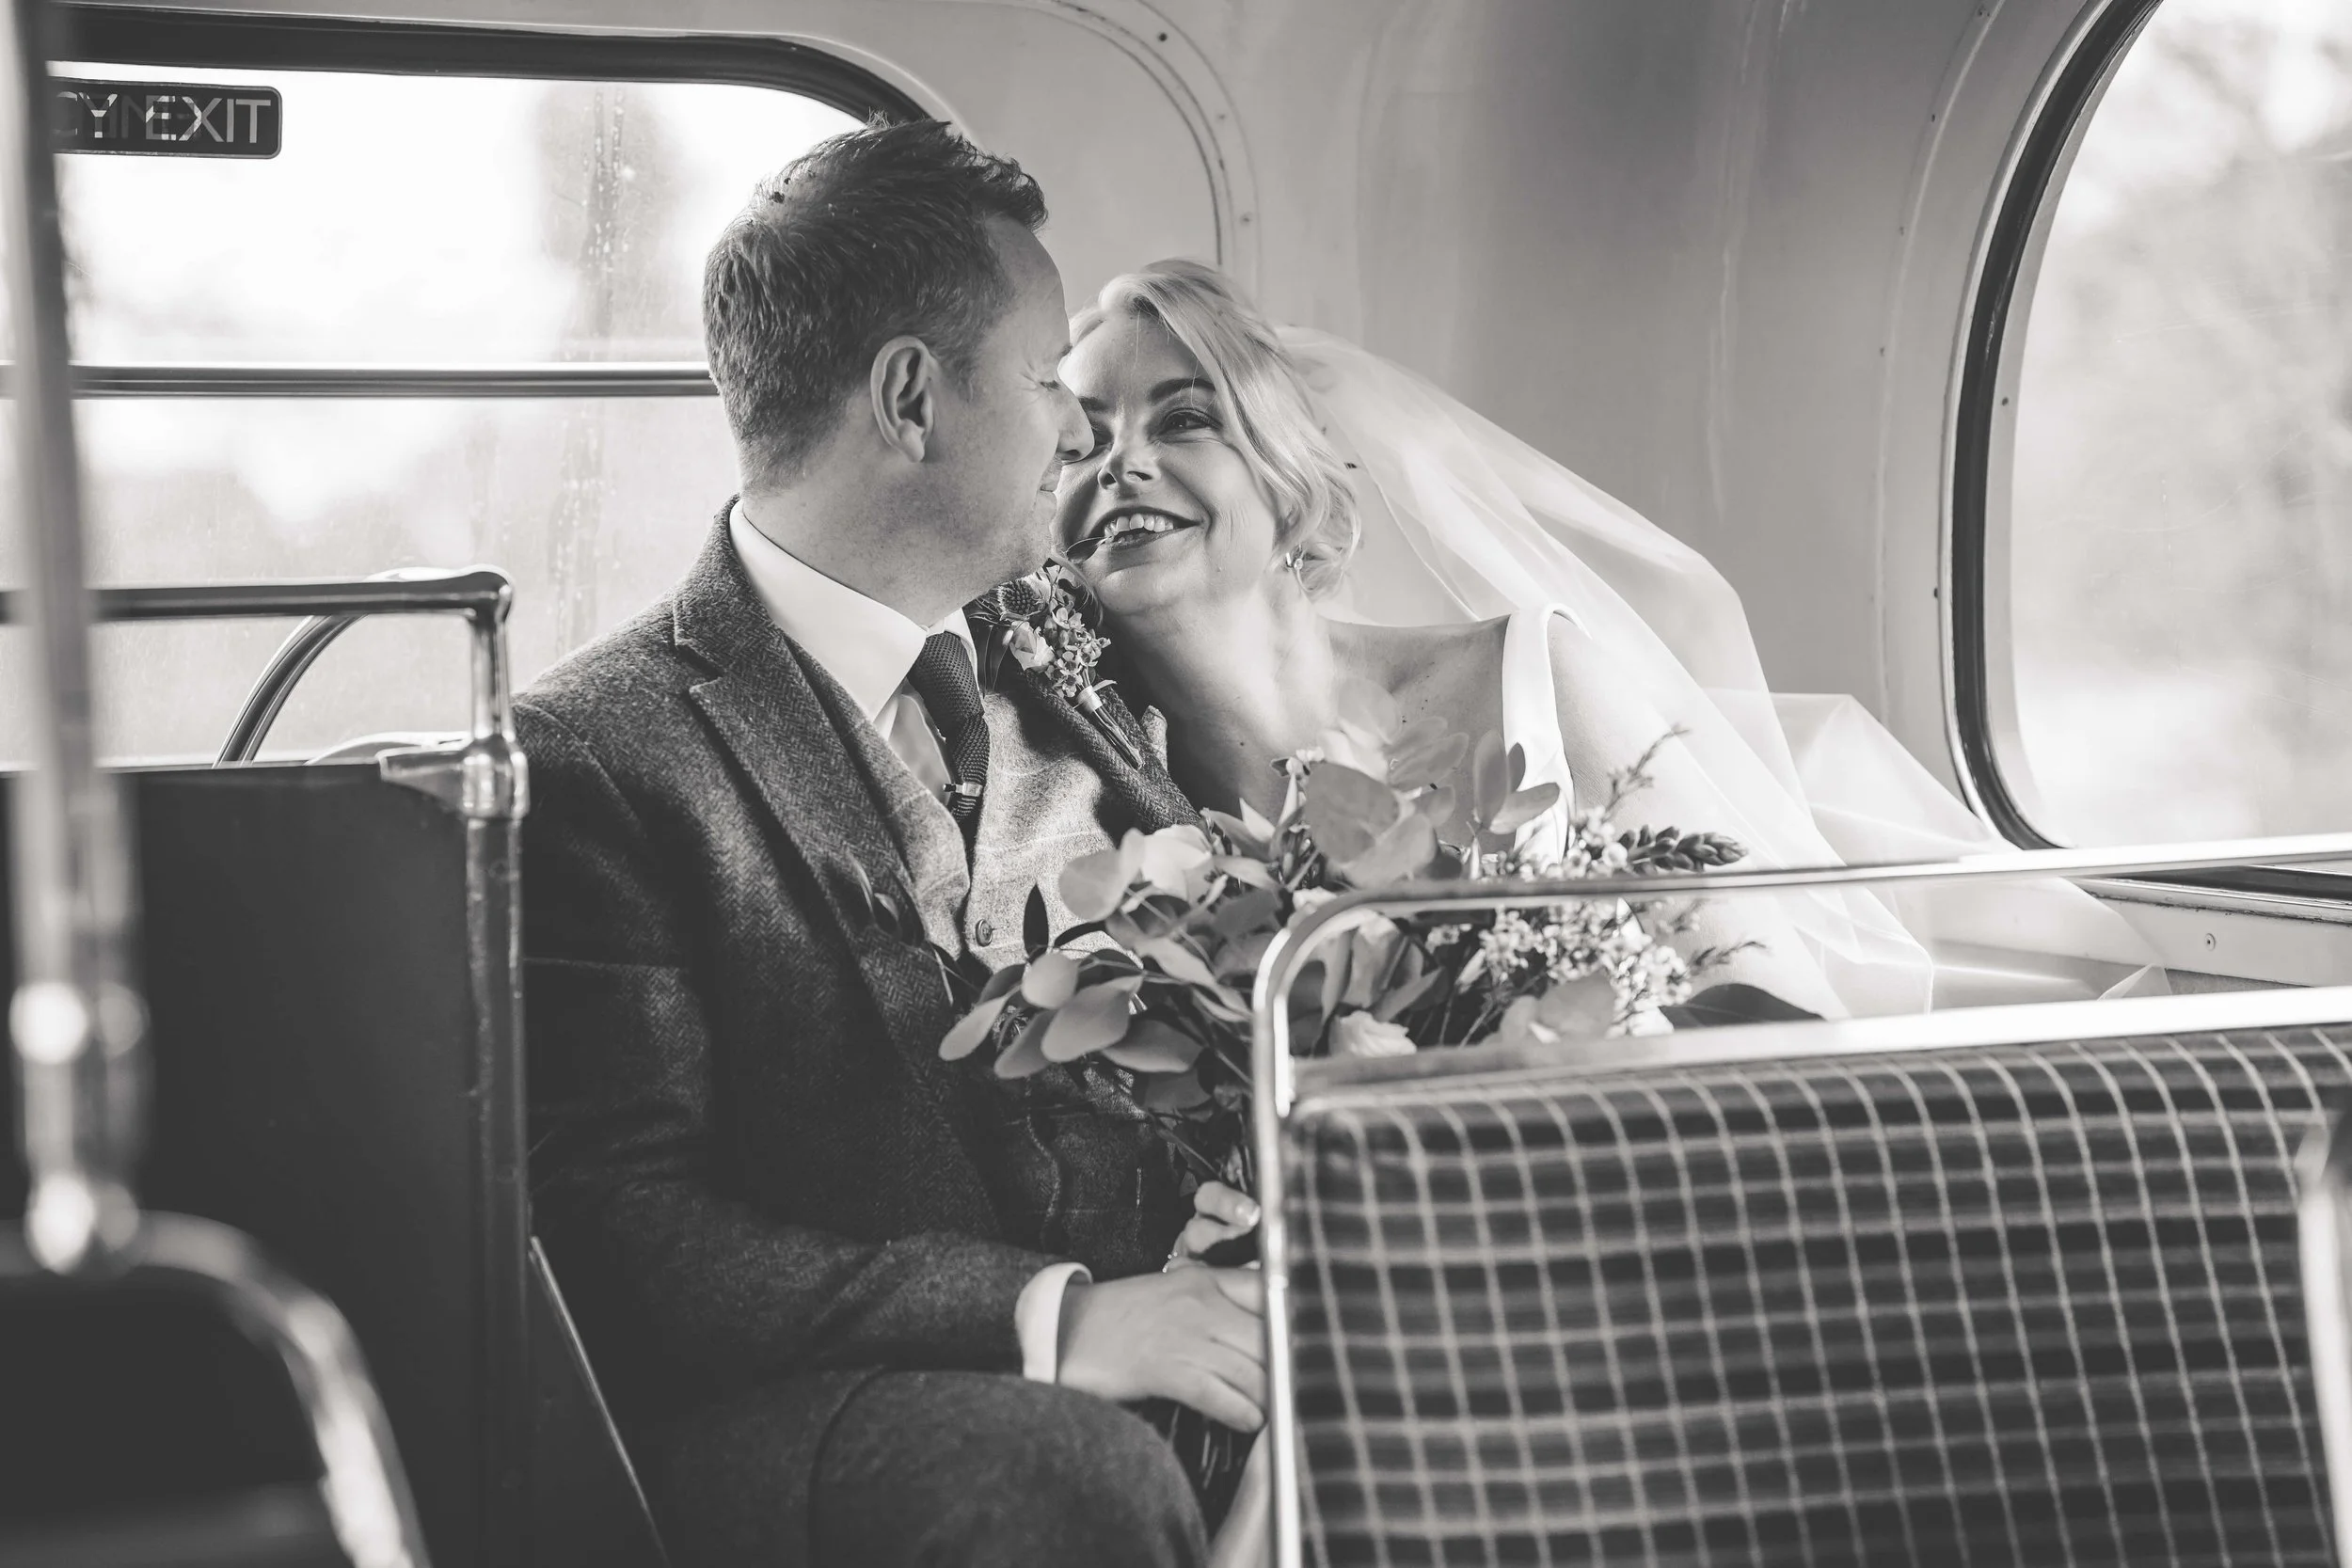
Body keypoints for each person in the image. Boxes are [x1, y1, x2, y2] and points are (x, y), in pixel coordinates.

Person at [516, 124, 1260, 1568]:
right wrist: (1060, 1320)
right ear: (913, 397)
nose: (1074, 432)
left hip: (1175, 1325)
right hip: (817, 1410)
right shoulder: (594, 751)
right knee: (1063, 1475)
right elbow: (618, 1235)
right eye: (1051, 380)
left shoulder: (1077, 664)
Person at [1055, 260, 2162, 1019]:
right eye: (1077, 439)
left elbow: (1766, 1007)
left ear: (1287, 476)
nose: (1121, 463)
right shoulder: (1072, 783)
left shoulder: (1534, 676)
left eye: (1184, 418)